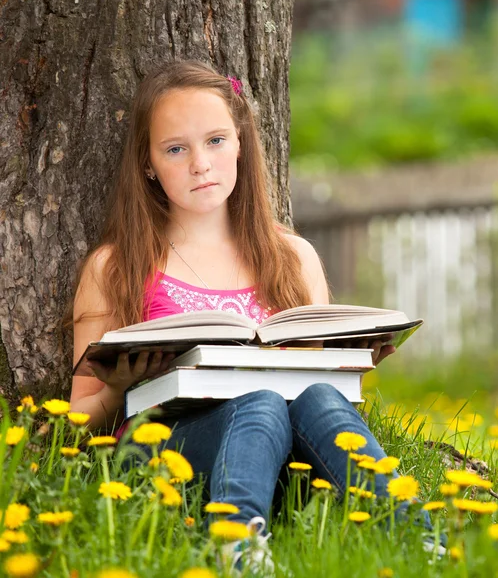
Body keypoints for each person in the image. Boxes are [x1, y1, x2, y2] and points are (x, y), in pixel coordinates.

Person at [68, 60, 438, 574]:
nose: (201, 163)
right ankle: (237, 546)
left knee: (318, 398)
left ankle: (415, 536)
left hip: (282, 458)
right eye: (176, 149)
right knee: (259, 400)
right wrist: (119, 386)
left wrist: (350, 361)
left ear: (241, 142)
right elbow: (76, 418)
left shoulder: (292, 256)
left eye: (216, 140)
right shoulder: (117, 265)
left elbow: (313, 384)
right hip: (168, 453)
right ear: (148, 164)